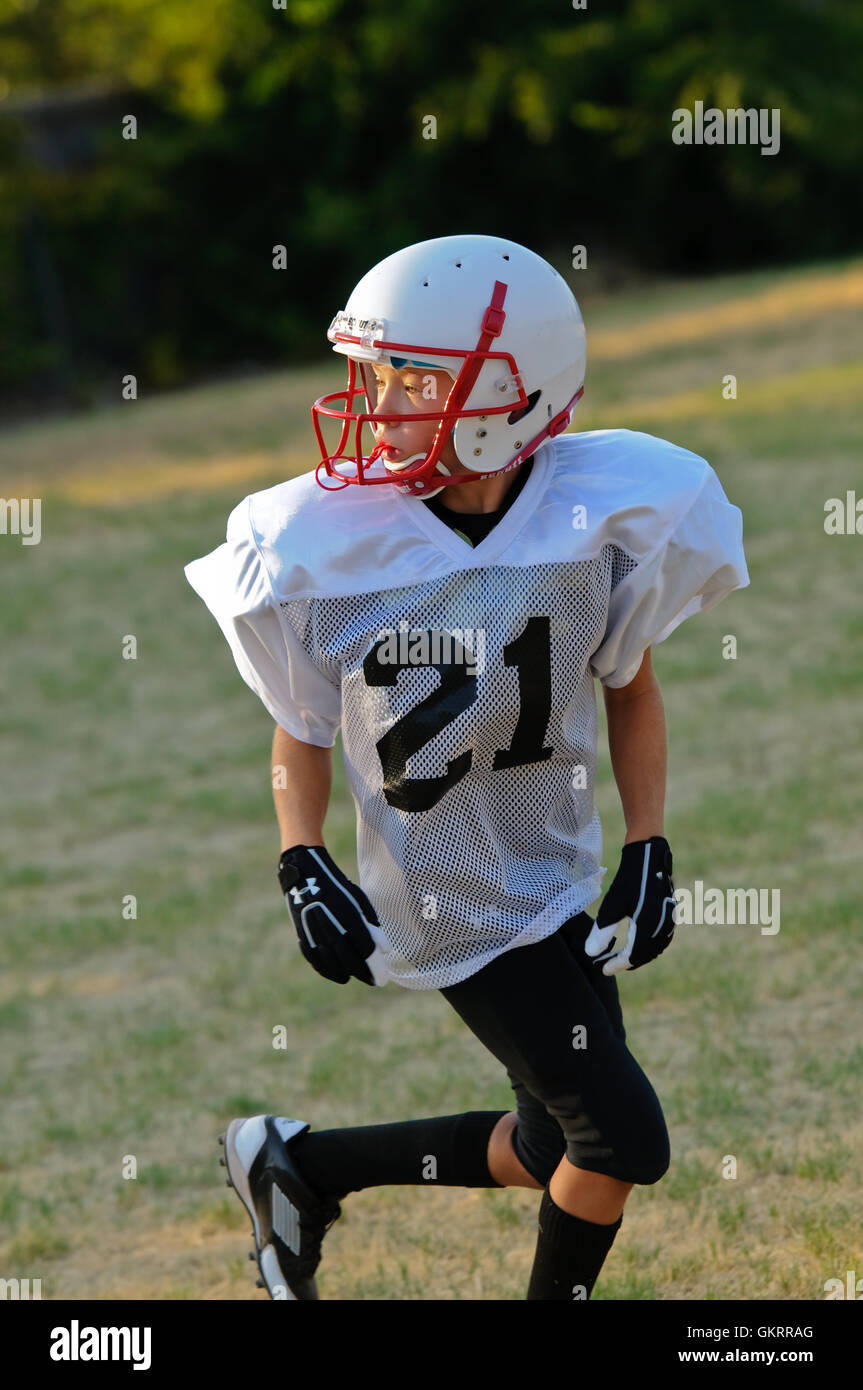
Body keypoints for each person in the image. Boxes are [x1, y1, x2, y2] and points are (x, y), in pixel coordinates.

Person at [185, 233, 749, 1301]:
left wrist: (648, 846)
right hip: (442, 885)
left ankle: (301, 1165)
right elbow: (301, 727)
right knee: (622, 1139)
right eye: (374, 371)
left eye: (411, 375)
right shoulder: (322, 536)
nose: (379, 399)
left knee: (551, 1148)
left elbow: (627, 685)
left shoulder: (602, 508)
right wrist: (300, 857)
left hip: (550, 861)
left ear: (507, 389)